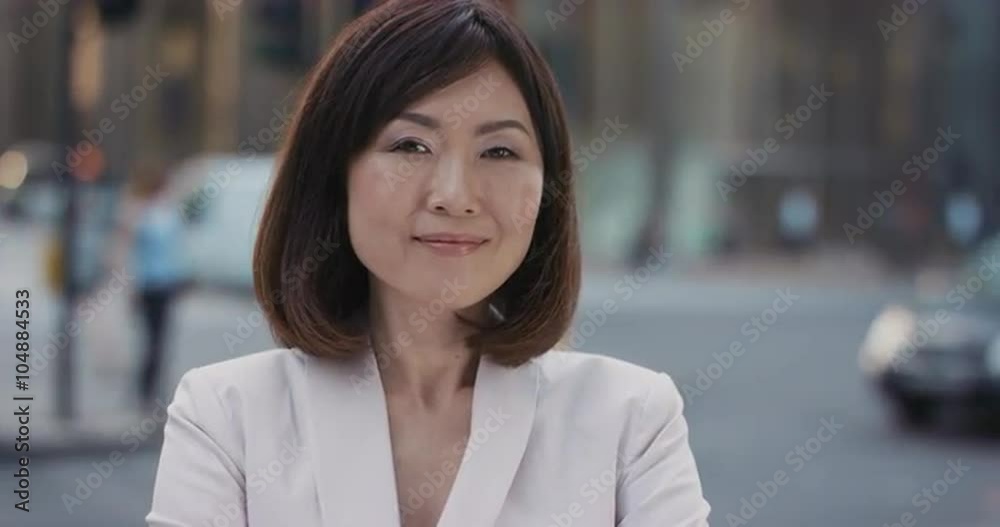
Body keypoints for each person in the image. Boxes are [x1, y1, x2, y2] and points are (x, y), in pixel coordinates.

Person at [147, 1, 711, 525]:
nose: (455, 194)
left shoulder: (631, 421)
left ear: (548, 192)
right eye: (410, 146)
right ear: (333, 175)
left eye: (499, 152)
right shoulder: (227, 418)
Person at [109, 163, 187, 409]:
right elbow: (128, 251)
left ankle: (152, 388)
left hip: (166, 282)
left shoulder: (168, 211)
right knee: (151, 341)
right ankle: (145, 390)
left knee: (160, 340)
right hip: (147, 284)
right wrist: (129, 285)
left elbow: (177, 249)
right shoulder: (139, 213)